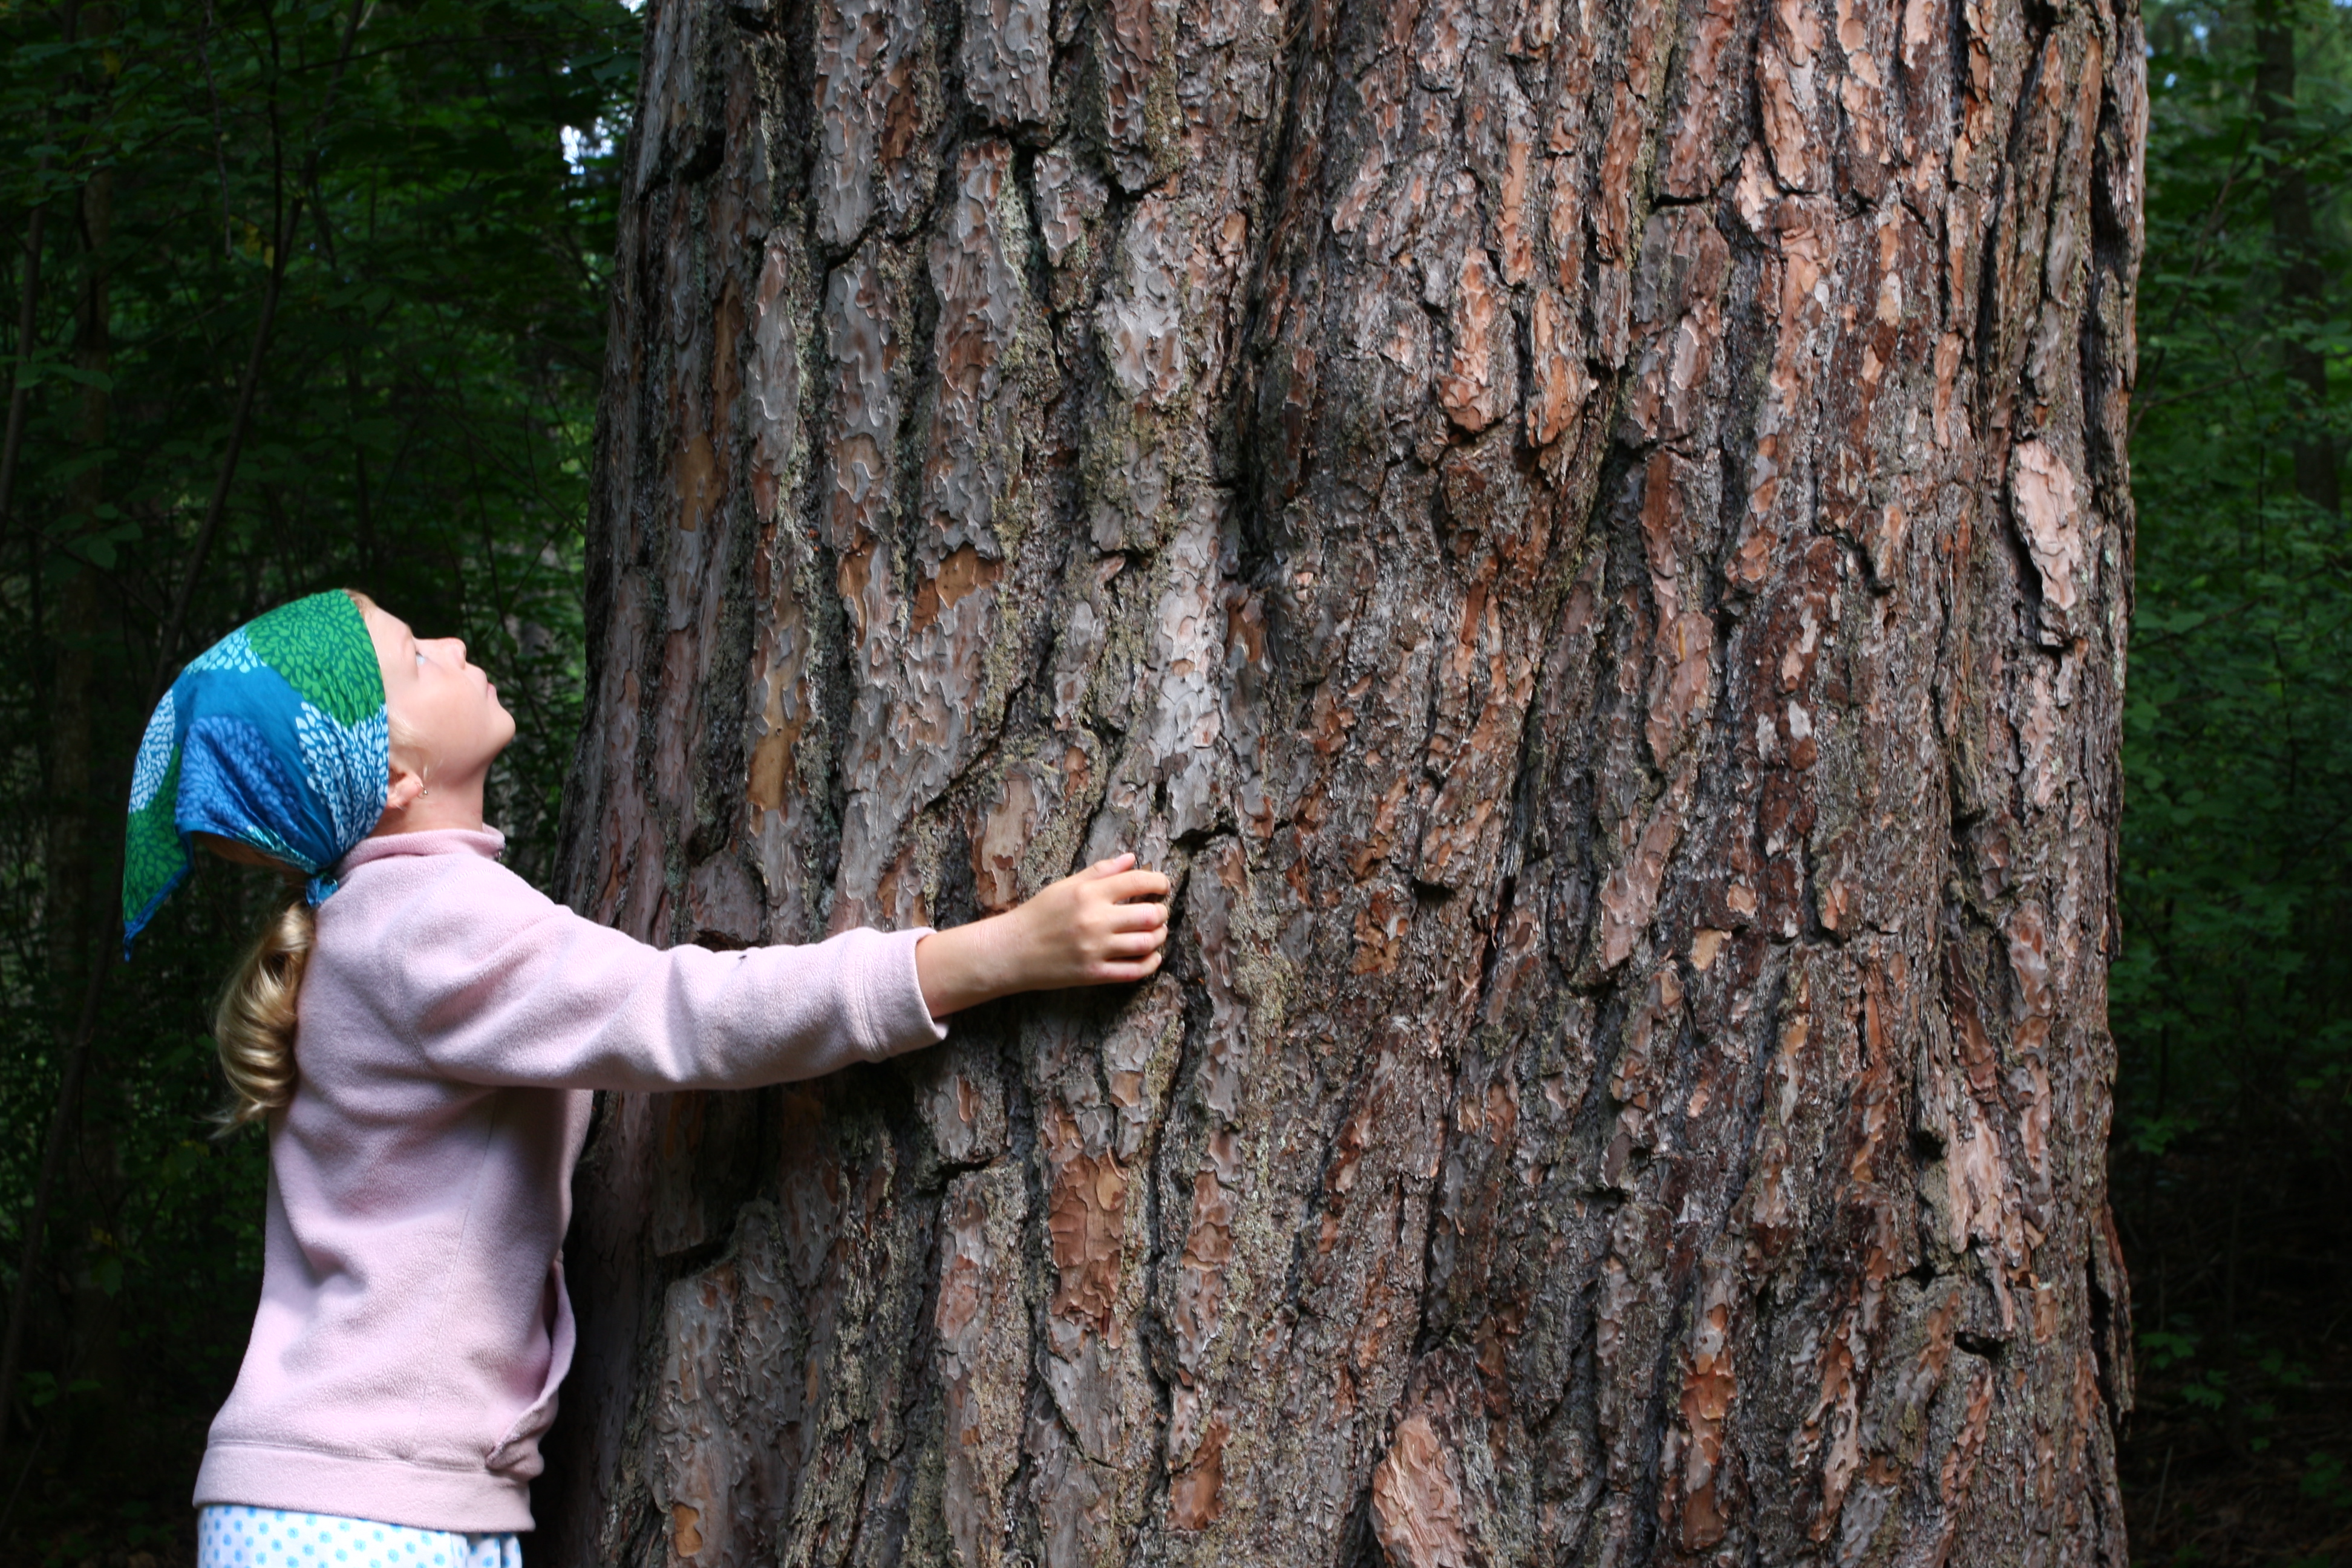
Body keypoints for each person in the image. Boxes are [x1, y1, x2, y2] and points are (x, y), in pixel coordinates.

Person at [122, 589, 1171, 1568]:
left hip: (363, 1497)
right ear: (392, 775)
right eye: (413, 655)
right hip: (365, 1510)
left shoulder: (387, 923)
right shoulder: (425, 925)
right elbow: (690, 1015)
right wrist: (997, 955)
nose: (449, 645)